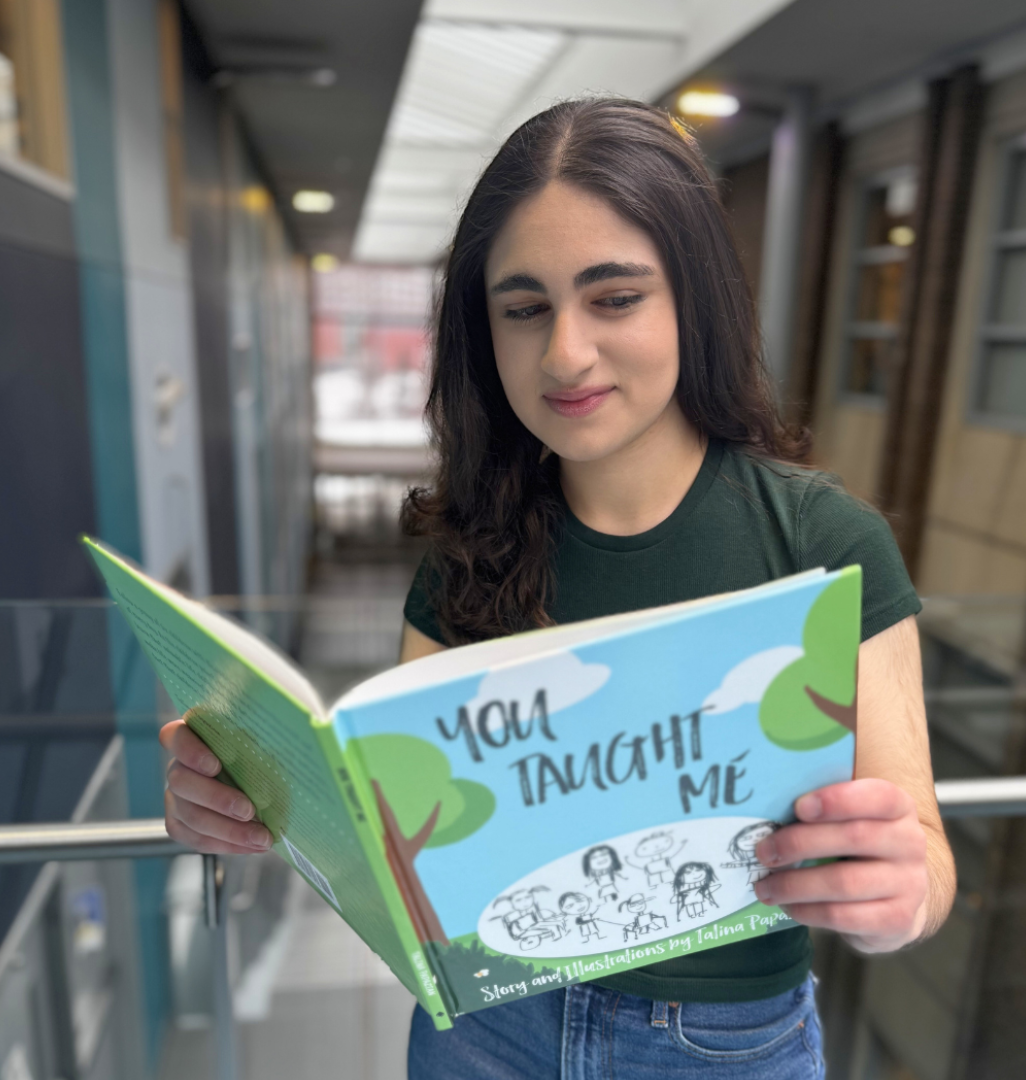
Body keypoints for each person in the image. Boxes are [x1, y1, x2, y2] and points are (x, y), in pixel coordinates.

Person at [158, 98, 956, 1079]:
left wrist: (896, 894)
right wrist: (255, 806)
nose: (566, 353)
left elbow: (920, 852)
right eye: (525, 308)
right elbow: (416, 850)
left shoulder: (824, 545)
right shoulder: (469, 551)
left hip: (719, 1044)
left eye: (614, 298)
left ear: (693, 300)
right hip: (487, 1026)